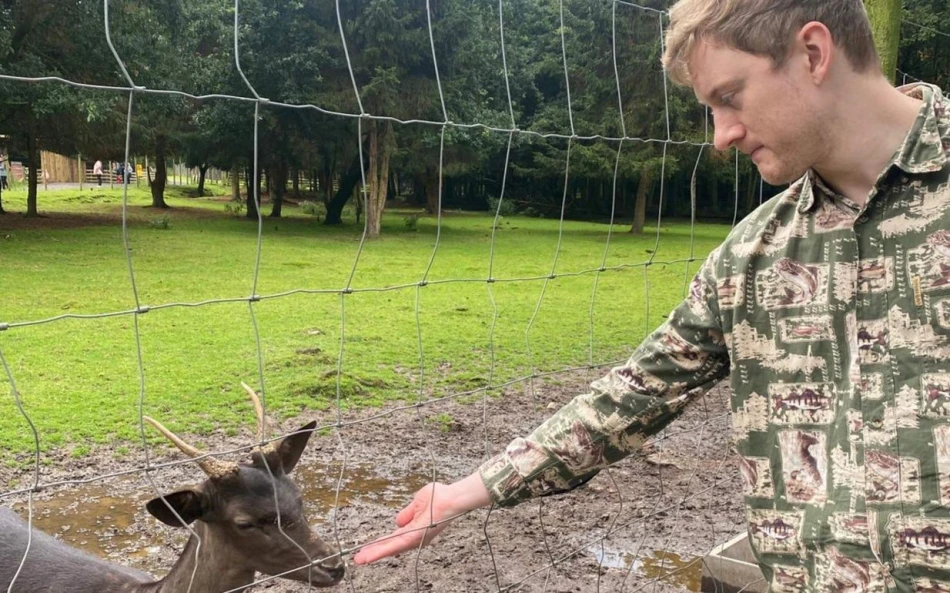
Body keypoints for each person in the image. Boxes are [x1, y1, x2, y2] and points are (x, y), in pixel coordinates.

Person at [354, 0, 950, 590]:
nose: (722, 137)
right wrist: (461, 495)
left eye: (730, 97)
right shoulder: (753, 254)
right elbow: (633, 394)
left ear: (813, 53)